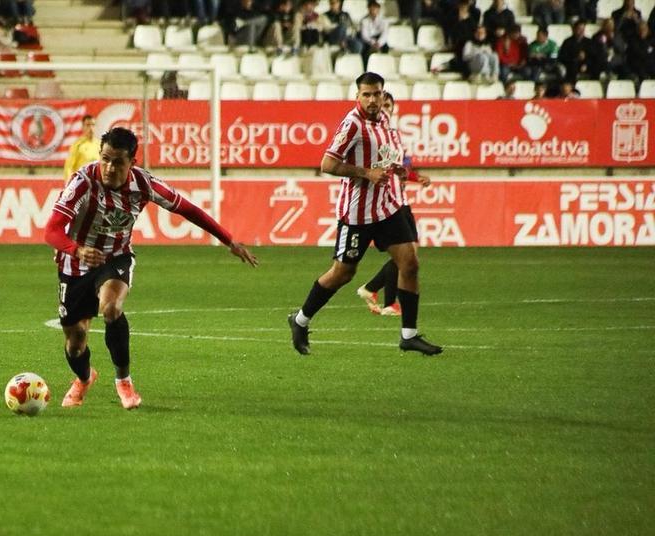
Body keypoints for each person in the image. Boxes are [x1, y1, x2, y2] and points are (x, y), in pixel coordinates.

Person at [43, 127, 259, 410]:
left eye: (118, 161)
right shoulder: (82, 181)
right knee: (75, 341)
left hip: (116, 258)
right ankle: (84, 378)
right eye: (105, 159)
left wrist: (228, 240)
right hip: (75, 263)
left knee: (111, 308)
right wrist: (77, 249)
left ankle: (124, 381)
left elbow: (188, 209)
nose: (109, 167)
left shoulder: (144, 184)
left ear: (132, 162)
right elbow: (51, 230)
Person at [288, 71, 442, 356]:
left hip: (388, 207)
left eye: (377, 94)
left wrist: (399, 171)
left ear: (384, 95)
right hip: (357, 214)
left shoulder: (384, 120)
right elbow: (327, 164)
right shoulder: (352, 125)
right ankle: (300, 320)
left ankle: (408, 335)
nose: (373, 100)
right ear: (357, 96)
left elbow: (386, 158)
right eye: (367, 95)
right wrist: (365, 173)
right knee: (343, 273)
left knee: (410, 264)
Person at [353, 92, 432, 318]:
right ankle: (383, 299)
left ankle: (377, 293)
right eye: (382, 104)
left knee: (407, 257)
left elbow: (400, 168)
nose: (384, 107)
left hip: (401, 200)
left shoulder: (392, 134)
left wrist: (417, 178)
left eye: (388, 105)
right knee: (407, 256)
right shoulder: (373, 135)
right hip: (393, 202)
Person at [63, 115, 99, 180]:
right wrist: (69, 183)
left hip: (96, 182)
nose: (91, 128)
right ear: (83, 127)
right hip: (82, 181)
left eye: (93, 125)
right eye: (88, 125)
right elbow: (69, 167)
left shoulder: (100, 144)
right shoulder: (77, 145)